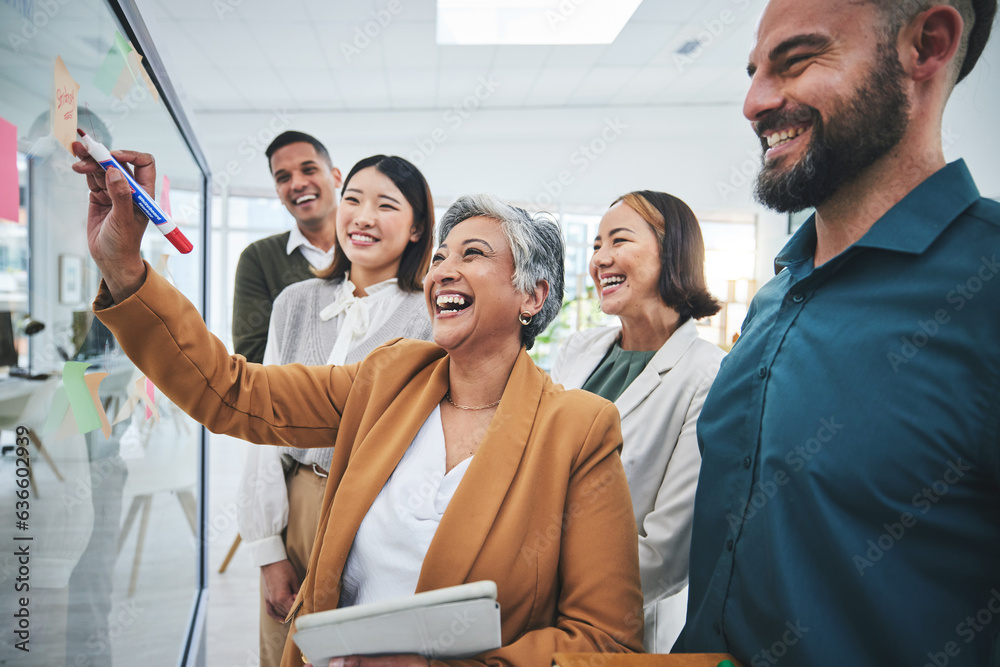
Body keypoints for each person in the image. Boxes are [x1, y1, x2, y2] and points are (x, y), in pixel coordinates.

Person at [69, 135, 645, 665]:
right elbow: (231, 392)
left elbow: (605, 641)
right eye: (440, 257)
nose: (443, 269)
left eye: (472, 254)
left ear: (533, 295)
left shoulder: (579, 430)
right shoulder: (388, 377)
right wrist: (123, 266)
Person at [676, 0, 1000, 664]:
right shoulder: (776, 295)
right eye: (754, 70)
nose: (754, 102)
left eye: (795, 62)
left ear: (926, 46)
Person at [238, 154, 435, 667]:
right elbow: (264, 428)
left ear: (417, 229)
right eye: (353, 200)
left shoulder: (432, 314)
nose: (363, 217)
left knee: (359, 655)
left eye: (386, 205)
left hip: (379, 511)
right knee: (286, 650)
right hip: (300, 502)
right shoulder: (295, 302)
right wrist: (268, 550)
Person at [551, 190, 723, 653]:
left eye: (618, 241)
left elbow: (667, 550)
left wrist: (551, 592)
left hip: (617, 624)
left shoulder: (707, 373)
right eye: (595, 246)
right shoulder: (577, 351)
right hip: (529, 605)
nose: (601, 259)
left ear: (672, 252)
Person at [232, 131, 343, 364]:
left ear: (336, 177)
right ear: (278, 194)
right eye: (283, 178)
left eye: (309, 170)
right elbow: (252, 356)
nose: (298, 184)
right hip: (292, 399)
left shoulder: (370, 247)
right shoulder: (259, 258)